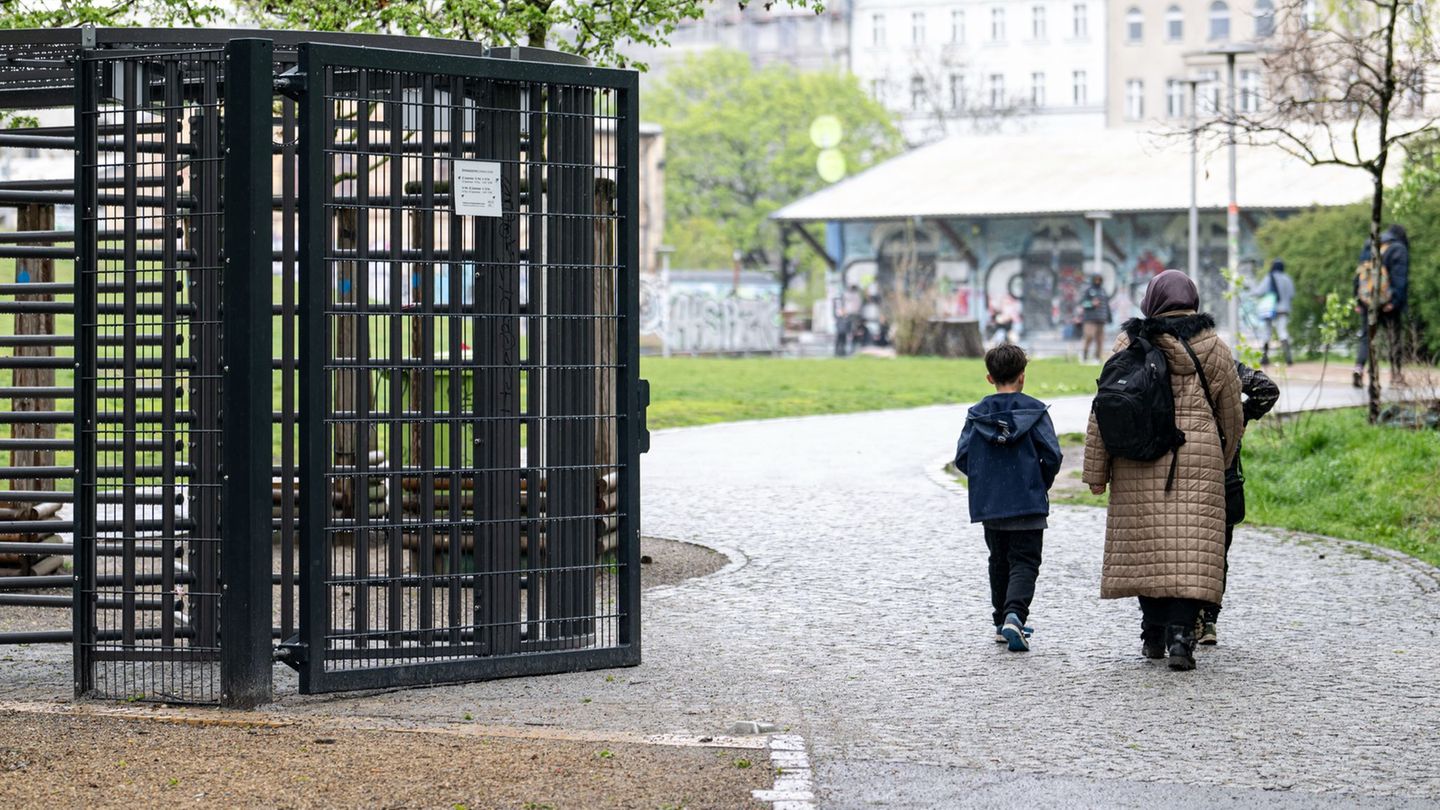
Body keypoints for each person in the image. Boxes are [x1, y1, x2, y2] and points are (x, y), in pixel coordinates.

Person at [1082, 270, 1243, 672]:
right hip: (1197, 457)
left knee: (1147, 549)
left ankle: (1151, 633)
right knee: (1192, 552)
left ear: (1151, 300)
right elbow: (1232, 415)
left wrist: (1095, 472)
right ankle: (1181, 638)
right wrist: (1223, 459)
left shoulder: (1129, 342)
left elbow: (1104, 407)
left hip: (1138, 456)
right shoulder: (1214, 347)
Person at [954, 344, 1063, 653]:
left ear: (990, 378)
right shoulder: (1035, 412)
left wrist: (986, 480)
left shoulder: (977, 415)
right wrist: (1041, 482)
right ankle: (1015, 614)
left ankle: (1001, 621)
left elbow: (962, 457)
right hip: (1027, 500)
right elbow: (1052, 455)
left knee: (999, 561)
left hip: (991, 504)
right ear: (1023, 377)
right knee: (1025, 561)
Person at [1196, 361, 1280, 645]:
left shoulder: (1162, 357)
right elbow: (1266, 390)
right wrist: (1237, 417)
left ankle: (1184, 620)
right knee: (1219, 548)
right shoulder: (1222, 361)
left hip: (1178, 467)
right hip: (1223, 466)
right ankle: (1209, 620)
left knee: (1180, 545)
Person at [1353, 225, 1410, 388]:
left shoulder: (1370, 243)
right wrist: (1395, 301)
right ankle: (1396, 376)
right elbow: (1400, 278)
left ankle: (1358, 369)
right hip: (1388, 302)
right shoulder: (1398, 248)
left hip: (1367, 301)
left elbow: (1359, 275)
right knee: (1394, 338)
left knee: (1366, 337)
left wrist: (1358, 300)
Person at [1257, 259, 1296, 366]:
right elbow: (1292, 294)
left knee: (1267, 333)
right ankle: (1288, 358)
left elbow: (1259, 292)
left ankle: (1264, 358)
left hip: (1270, 309)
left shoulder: (1269, 277)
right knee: (1283, 332)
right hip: (1284, 309)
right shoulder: (1288, 278)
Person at [1078, 274, 1111, 362]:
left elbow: (1107, 306)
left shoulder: (1103, 291)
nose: (1097, 281)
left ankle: (1097, 357)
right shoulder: (1088, 290)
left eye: (1099, 280)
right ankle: (1084, 355)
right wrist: (1092, 304)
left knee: (1100, 340)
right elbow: (1083, 303)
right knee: (1089, 336)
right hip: (1090, 319)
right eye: (1096, 280)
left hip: (1101, 319)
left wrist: (1109, 317)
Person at [834, 284, 863, 357]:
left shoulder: (854, 295)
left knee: (849, 334)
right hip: (845, 317)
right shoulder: (847, 295)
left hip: (850, 316)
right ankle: (840, 350)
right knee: (842, 335)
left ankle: (844, 350)